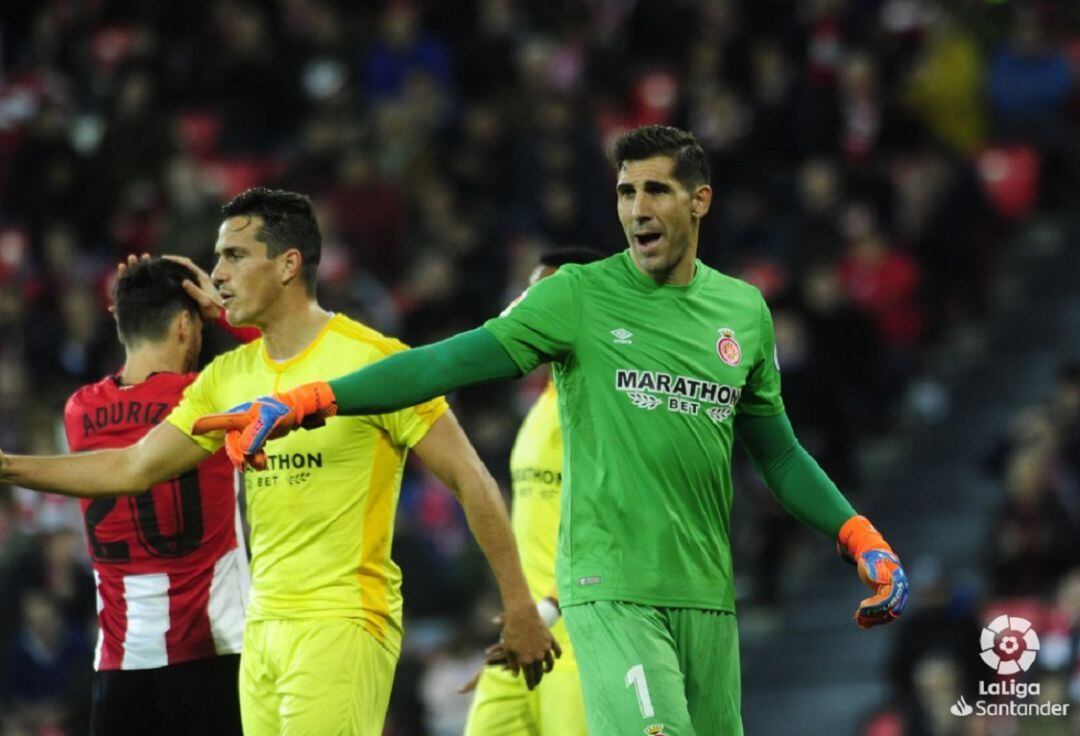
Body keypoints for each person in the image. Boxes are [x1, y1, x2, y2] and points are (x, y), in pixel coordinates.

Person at [198, 126, 910, 734]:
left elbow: (778, 451)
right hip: (608, 591)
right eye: (626, 192)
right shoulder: (578, 296)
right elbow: (445, 362)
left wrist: (859, 536)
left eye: (656, 191)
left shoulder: (743, 312)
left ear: (700, 202)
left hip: (704, 592)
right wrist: (311, 398)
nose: (637, 208)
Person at [0, 188, 557, 735]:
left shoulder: (371, 359)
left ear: (289, 264)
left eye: (234, 256)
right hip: (260, 634)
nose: (216, 274)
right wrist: (7, 466)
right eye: (218, 257)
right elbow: (131, 468)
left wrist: (520, 606)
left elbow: (471, 479)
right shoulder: (227, 377)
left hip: (342, 622)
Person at [65, 257, 252, 736]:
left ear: (117, 319)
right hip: (213, 655)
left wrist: (127, 301)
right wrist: (225, 314)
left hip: (119, 667)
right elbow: (299, 359)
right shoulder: (213, 395)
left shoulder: (80, 411)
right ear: (187, 326)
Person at [462, 247, 604, 736]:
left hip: (578, 635)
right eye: (526, 291)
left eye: (544, 293)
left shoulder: (607, 401)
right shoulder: (542, 398)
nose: (527, 304)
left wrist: (543, 611)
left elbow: (616, 529)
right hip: (525, 631)